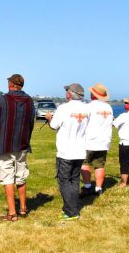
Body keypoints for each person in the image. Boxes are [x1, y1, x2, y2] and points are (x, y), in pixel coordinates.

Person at [0, 74, 35, 221]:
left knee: (7, 178)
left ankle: (12, 213)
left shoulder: (3, 100)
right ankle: (23, 208)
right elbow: (32, 121)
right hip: (23, 144)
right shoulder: (29, 101)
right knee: (21, 176)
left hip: (5, 145)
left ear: (10, 84)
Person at [46, 83, 89, 221]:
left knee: (64, 181)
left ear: (70, 94)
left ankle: (71, 211)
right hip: (80, 150)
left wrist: (49, 118)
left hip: (65, 151)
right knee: (74, 180)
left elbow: (53, 126)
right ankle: (72, 207)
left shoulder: (64, 108)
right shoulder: (87, 109)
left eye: (67, 91)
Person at [80, 83, 113, 197]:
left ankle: (88, 186)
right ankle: (98, 188)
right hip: (104, 140)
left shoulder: (88, 106)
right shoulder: (108, 107)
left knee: (85, 163)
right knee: (99, 165)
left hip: (89, 140)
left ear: (93, 94)